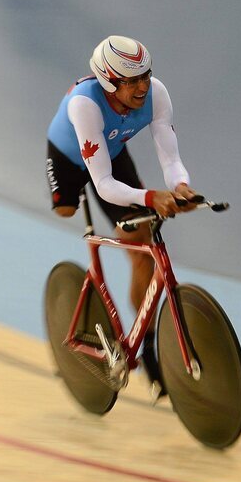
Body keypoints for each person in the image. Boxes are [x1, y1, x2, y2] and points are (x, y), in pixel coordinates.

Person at [46, 35, 196, 397]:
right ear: (109, 82)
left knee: (140, 241)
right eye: (131, 81)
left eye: (145, 76)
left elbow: (170, 158)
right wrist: (150, 196)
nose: (143, 86)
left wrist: (181, 187)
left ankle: (145, 345)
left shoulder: (156, 94)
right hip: (70, 157)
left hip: (109, 154)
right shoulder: (86, 105)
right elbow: (103, 185)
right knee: (66, 209)